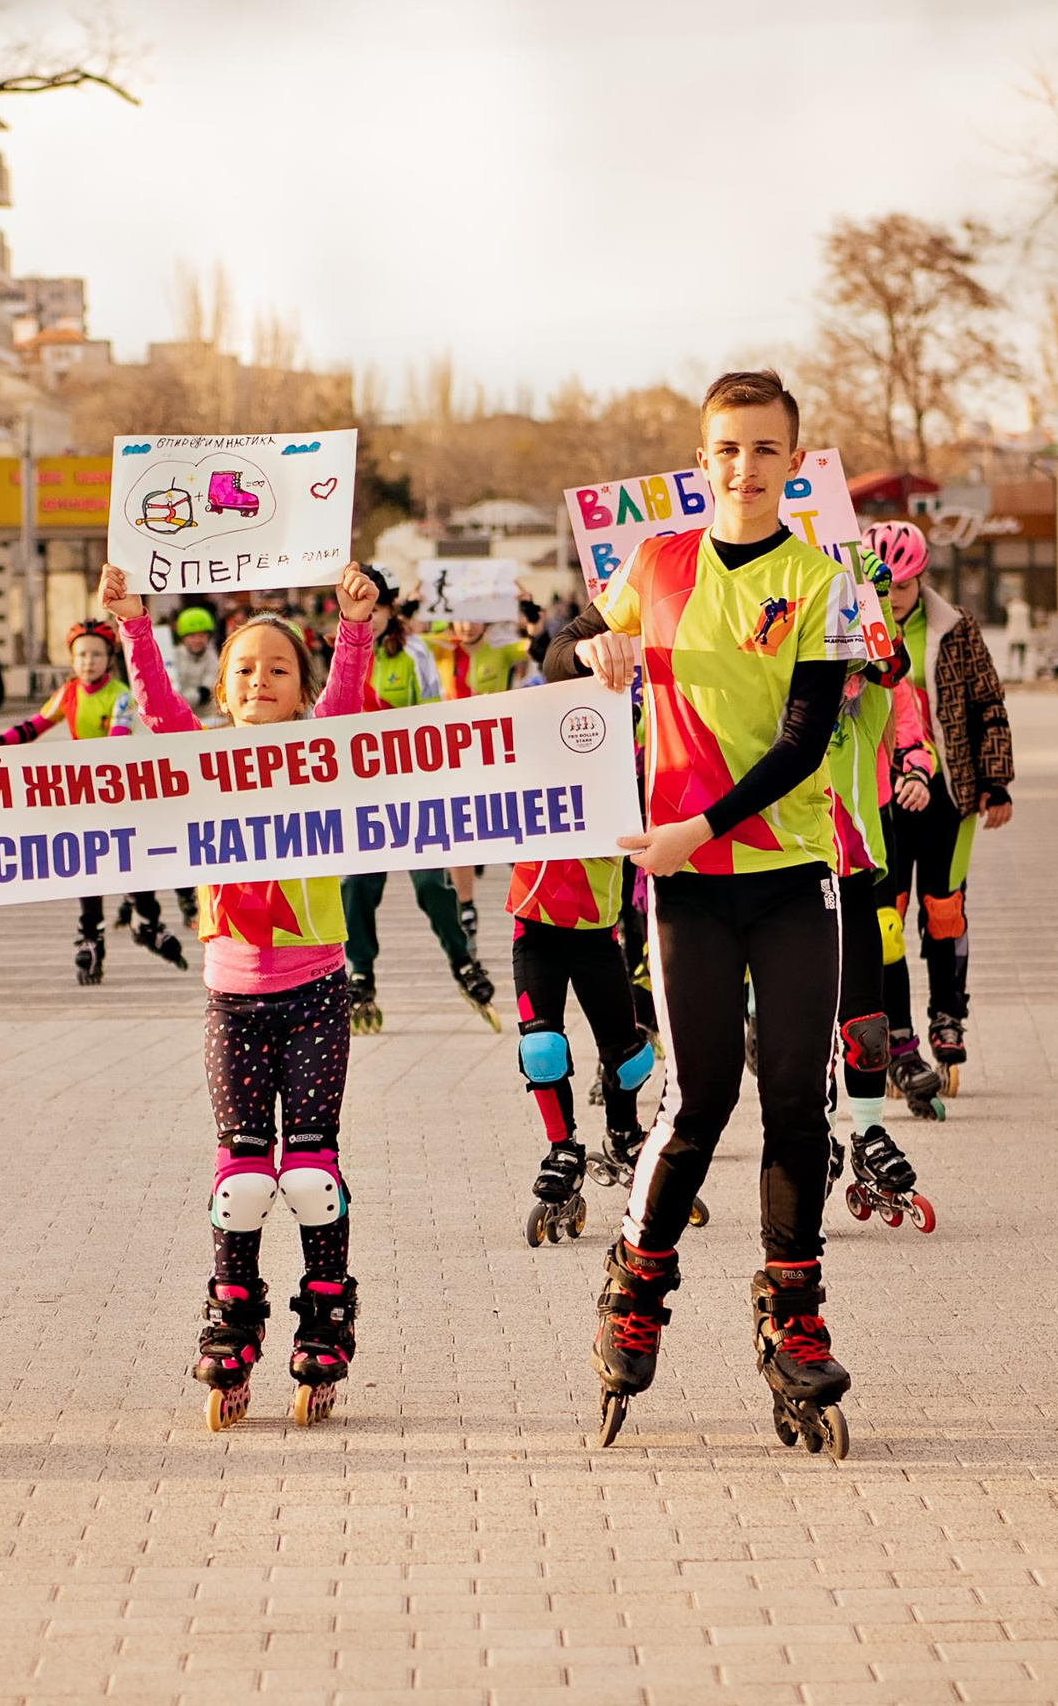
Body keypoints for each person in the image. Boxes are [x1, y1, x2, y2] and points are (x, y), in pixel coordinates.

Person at [545, 368, 893, 1451]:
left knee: (796, 1099)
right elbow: (560, 653)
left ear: (797, 461)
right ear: (703, 464)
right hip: (686, 888)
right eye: (725, 450)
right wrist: (588, 648)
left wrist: (705, 827)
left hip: (789, 874)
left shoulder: (827, 585)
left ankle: (793, 1319)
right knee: (699, 1099)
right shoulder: (655, 564)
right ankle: (634, 1289)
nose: (743, 467)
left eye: (763, 449)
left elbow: (802, 744)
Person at [101, 558, 381, 1432]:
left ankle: (326, 1324)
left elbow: (347, 695)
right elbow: (156, 709)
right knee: (242, 1181)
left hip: (315, 992)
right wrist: (133, 625)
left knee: (310, 1172)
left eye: (280, 668)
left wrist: (355, 630)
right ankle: (231, 1324)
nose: (262, 679)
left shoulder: (321, 750)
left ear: (302, 691)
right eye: (245, 669)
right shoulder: (201, 760)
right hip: (233, 997)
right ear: (223, 691)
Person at [865, 520, 1015, 1105]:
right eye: (883, 586)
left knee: (944, 909)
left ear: (919, 579)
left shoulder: (954, 628)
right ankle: (895, 1034)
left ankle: (948, 1017)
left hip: (950, 792)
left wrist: (995, 782)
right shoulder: (853, 631)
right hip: (882, 795)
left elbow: (988, 704)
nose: (893, 598)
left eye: (902, 588)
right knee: (887, 920)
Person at [815, 538, 936, 1217]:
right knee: (796, 1037)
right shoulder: (783, 704)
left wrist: (867, 590)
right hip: (785, 878)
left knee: (865, 1028)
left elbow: (891, 664)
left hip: (855, 873)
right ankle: (816, 1135)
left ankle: (865, 1132)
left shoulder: (875, 701)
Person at [0, 619, 189, 979]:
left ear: (110, 658)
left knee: (131, 857)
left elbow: (117, 739)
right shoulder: (68, 694)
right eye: (81, 655)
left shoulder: (122, 695)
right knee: (91, 865)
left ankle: (147, 920)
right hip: (88, 793)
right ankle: (90, 933)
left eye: (96, 654)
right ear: (72, 660)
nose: (88, 662)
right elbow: (33, 727)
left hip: (121, 789)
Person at [339, 577, 493, 1033]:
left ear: (388, 609)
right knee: (357, 885)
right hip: (362, 792)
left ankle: (462, 959)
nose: (364, 614)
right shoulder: (341, 656)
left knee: (430, 883)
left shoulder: (412, 653)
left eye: (372, 606)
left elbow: (430, 719)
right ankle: (360, 971)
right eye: (353, 606)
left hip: (408, 788)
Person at [508, 845, 658, 1245]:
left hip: (597, 931)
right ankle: (563, 1149)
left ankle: (624, 1135)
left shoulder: (623, 779)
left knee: (631, 1059)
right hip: (536, 926)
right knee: (541, 1050)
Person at [425, 618, 530, 945]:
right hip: (455, 754)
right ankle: (466, 904)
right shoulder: (443, 647)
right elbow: (402, 636)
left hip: (497, 752)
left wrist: (528, 613)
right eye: (459, 618)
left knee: (513, 829)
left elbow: (536, 645)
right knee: (459, 831)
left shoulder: (500, 647)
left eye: (474, 618)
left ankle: (528, 897)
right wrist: (417, 604)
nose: (466, 626)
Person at [167, 605, 222, 722]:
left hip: (205, 715)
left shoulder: (212, 657)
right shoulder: (174, 655)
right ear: (183, 637)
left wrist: (180, 700)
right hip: (177, 715)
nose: (197, 640)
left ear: (209, 636)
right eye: (192, 636)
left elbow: (208, 687)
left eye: (202, 635)